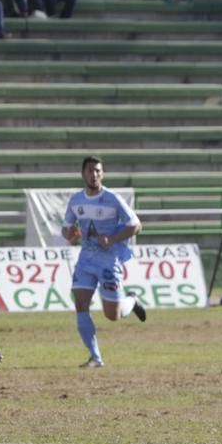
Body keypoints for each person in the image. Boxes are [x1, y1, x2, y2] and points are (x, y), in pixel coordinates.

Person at [63, 156, 146, 367]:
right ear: (83, 174)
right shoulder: (75, 201)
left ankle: (131, 301)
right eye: (90, 171)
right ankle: (95, 357)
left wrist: (113, 239)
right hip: (86, 260)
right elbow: (67, 229)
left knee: (113, 315)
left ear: (103, 174)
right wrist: (70, 234)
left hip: (109, 261)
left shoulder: (113, 199)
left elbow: (136, 225)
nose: (94, 175)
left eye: (98, 171)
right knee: (80, 304)